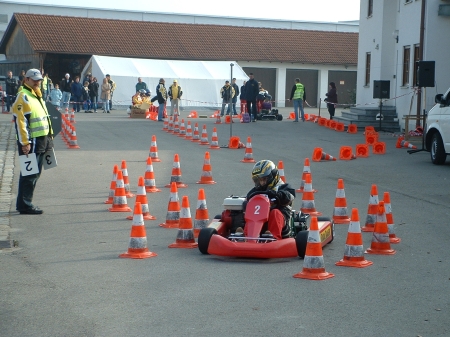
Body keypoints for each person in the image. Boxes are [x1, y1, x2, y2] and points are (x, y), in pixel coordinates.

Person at [12, 68, 54, 214]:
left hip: (42, 139)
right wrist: (25, 143)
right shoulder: (23, 96)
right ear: (26, 80)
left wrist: (50, 136)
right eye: (34, 80)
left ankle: (24, 203)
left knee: (34, 174)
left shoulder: (37, 95)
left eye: (39, 80)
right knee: (29, 174)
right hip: (31, 142)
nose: (38, 82)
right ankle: (25, 204)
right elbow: (20, 122)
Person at [240, 160, 295, 240]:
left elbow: (289, 197)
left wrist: (277, 195)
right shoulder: (255, 191)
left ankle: (274, 238)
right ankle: (246, 237)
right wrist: (246, 204)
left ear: (273, 175)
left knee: (275, 212)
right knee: (250, 213)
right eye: (259, 180)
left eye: (264, 179)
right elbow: (246, 201)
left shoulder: (283, 187)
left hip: (281, 223)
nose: (262, 183)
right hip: (259, 222)